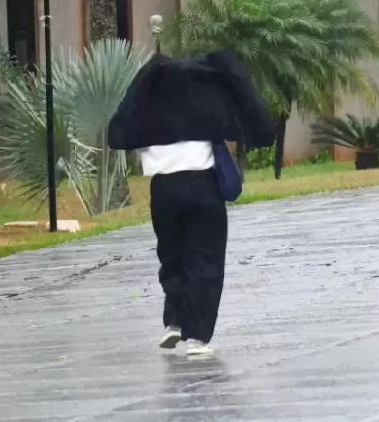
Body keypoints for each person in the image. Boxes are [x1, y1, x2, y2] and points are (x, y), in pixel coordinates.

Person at [108, 50, 274, 356]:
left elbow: (123, 126)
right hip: (202, 187)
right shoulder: (207, 106)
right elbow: (248, 110)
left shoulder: (154, 107)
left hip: (163, 190)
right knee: (205, 259)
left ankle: (173, 320)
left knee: (172, 257)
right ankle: (197, 337)